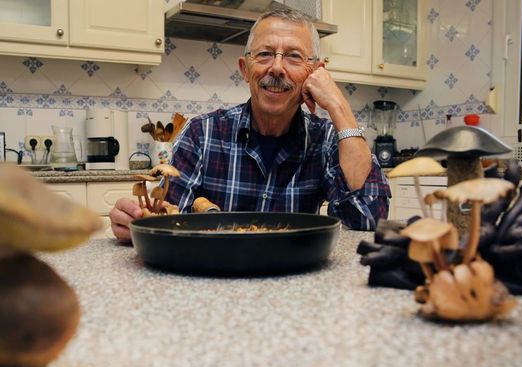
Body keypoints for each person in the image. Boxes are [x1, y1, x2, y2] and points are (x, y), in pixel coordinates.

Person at [110, 8, 390, 242]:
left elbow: (369, 217)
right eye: (265, 54)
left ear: (315, 72)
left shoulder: (326, 140)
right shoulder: (202, 134)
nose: (277, 68)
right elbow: (164, 217)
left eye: (293, 56)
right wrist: (134, 219)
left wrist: (339, 108)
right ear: (245, 69)